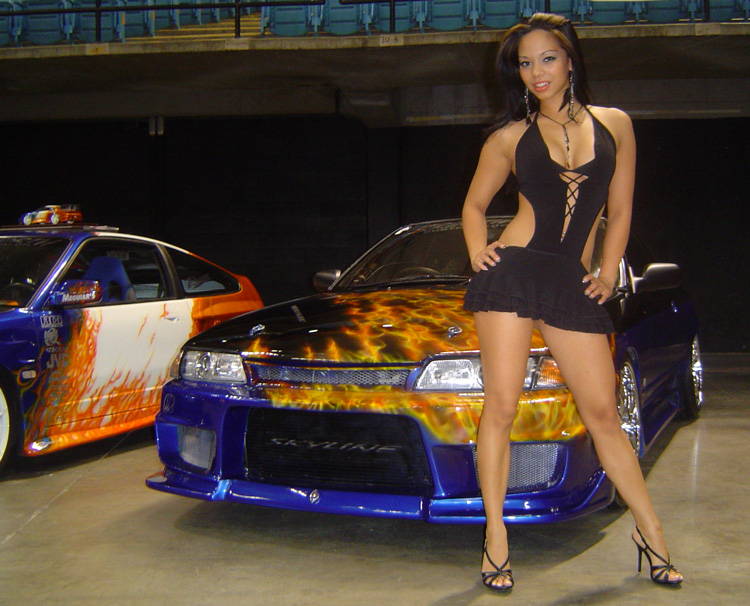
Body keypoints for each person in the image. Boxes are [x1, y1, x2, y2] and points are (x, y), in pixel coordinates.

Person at [462, 12, 683, 592]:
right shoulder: (508, 137)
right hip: (511, 275)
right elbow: (474, 206)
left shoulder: (616, 124)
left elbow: (621, 208)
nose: (536, 72)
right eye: (525, 63)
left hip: (569, 280)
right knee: (502, 407)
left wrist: (608, 271)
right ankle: (495, 537)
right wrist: (478, 250)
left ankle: (651, 533)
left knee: (604, 414)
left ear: (570, 60)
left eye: (548, 58)